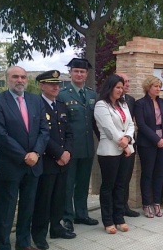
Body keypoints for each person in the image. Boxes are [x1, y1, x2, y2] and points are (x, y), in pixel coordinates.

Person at [0, 66, 49, 250]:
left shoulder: (35, 100)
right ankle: (4, 249)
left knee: (27, 206)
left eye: (23, 76)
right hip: (10, 165)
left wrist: (36, 153)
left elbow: (43, 130)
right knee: (6, 209)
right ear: (7, 79)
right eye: (15, 77)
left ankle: (23, 243)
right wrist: (23, 156)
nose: (20, 80)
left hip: (33, 164)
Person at [31, 71, 76, 250]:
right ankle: (39, 234)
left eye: (57, 84)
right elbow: (42, 135)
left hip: (63, 161)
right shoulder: (36, 105)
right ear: (42, 86)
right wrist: (58, 154)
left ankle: (56, 228)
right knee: (44, 199)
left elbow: (69, 133)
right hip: (48, 161)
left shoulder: (62, 106)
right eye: (51, 84)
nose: (56, 87)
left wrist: (68, 152)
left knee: (59, 197)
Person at [57, 58, 98, 232]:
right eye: (76, 71)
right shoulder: (62, 94)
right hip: (70, 148)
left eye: (82, 72)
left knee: (82, 183)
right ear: (70, 73)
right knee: (68, 184)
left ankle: (82, 214)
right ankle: (67, 217)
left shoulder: (92, 94)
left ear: (87, 74)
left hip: (88, 147)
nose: (79, 74)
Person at [94, 75, 135, 234]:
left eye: (121, 87)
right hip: (109, 151)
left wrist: (128, 139)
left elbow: (131, 124)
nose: (120, 90)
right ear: (109, 87)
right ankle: (108, 220)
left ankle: (119, 218)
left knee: (121, 185)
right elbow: (109, 128)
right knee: (108, 186)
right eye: (117, 87)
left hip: (126, 148)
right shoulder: (101, 105)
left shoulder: (123, 104)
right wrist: (123, 143)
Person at [135, 76, 163, 218]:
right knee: (147, 173)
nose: (158, 89)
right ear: (148, 87)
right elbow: (142, 125)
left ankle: (157, 202)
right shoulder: (140, 104)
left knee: (159, 173)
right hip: (147, 143)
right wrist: (156, 139)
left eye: (159, 86)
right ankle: (146, 204)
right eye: (155, 86)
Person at [116, 72, 140, 217]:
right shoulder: (106, 100)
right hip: (115, 145)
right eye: (124, 82)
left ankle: (124, 206)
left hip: (129, 144)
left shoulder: (130, 100)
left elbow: (131, 123)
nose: (127, 84)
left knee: (126, 177)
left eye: (128, 81)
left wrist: (129, 140)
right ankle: (115, 208)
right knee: (115, 180)